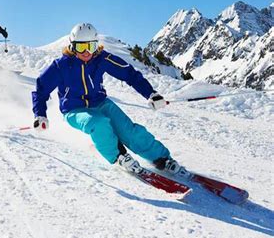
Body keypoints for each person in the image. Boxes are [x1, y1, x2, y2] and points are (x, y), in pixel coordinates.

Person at [31, 23, 189, 177]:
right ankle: (119, 156)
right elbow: (41, 89)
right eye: (81, 47)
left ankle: (162, 159)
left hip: (101, 103)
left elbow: (129, 74)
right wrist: (40, 114)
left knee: (130, 131)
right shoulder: (61, 66)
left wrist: (151, 94)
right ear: (72, 47)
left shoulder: (102, 59)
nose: (86, 52)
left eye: (91, 46)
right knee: (98, 124)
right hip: (74, 110)